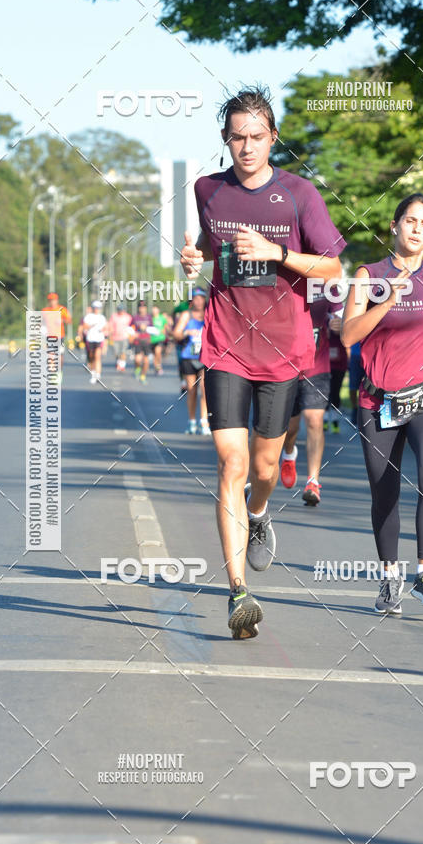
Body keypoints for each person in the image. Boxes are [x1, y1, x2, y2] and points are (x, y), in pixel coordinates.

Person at [180, 85, 345, 639]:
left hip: (283, 350)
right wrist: (193, 256)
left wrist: (278, 253)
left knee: (266, 469)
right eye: (236, 138)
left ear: (272, 138)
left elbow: (331, 271)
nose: (246, 147)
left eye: (256, 137)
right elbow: (211, 241)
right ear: (224, 139)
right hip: (225, 343)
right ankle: (237, 594)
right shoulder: (208, 190)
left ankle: (257, 515)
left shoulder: (300, 195)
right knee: (231, 463)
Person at [341, 192, 423, 616]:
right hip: (378, 398)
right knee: (384, 490)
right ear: (394, 226)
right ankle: (390, 579)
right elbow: (349, 335)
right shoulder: (369, 275)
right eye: (410, 221)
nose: (417, 229)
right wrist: (387, 301)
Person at [279, 291, 342, 505]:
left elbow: (341, 316)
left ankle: (313, 481)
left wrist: (339, 324)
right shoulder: (285, 279)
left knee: (315, 421)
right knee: (290, 428)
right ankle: (289, 454)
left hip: (317, 367)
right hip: (286, 368)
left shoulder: (327, 285)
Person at [173, 288, 210, 435]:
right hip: (189, 356)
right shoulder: (186, 315)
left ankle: (204, 421)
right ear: (191, 300)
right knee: (192, 390)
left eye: (202, 298)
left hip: (205, 356)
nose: (199, 301)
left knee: (205, 389)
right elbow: (176, 334)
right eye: (196, 298)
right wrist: (186, 332)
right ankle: (192, 421)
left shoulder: (209, 313)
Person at [325, 322, 349, 434]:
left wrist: (339, 328)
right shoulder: (323, 316)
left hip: (339, 365)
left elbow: (348, 338)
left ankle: (335, 422)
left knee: (335, 393)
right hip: (325, 364)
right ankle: (324, 420)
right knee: (324, 393)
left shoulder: (342, 317)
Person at [41, 291, 71, 378]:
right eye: (50, 300)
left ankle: (59, 371)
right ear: (48, 301)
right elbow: (41, 322)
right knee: (51, 355)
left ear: (57, 300)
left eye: (54, 300)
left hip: (60, 336)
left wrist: (62, 321)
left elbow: (69, 320)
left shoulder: (62, 309)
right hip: (49, 336)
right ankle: (52, 373)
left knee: (59, 354)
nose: (52, 302)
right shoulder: (45, 310)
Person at [79, 300, 108, 384]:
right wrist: (92, 325)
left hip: (99, 339)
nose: (97, 309)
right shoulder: (88, 317)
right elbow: (84, 326)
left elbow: (106, 327)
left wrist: (104, 329)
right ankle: (93, 372)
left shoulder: (102, 317)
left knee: (97, 356)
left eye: (98, 308)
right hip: (90, 339)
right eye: (95, 308)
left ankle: (97, 374)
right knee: (91, 357)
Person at [130, 301, 152, 383]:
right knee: (138, 359)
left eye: (143, 307)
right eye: (140, 307)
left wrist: (146, 328)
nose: (142, 309)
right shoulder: (135, 317)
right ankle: (138, 368)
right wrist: (133, 334)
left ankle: (143, 376)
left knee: (146, 361)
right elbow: (130, 328)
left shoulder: (149, 317)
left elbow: (153, 329)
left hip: (146, 340)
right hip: (138, 341)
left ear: (146, 308)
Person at [109, 304, 132, 371]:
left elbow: (131, 327)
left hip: (125, 337)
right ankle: (119, 362)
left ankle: (122, 366)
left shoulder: (128, 317)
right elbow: (110, 326)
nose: (121, 311)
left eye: (122, 310)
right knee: (116, 353)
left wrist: (131, 336)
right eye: (120, 310)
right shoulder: (114, 316)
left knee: (123, 352)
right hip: (115, 337)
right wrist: (110, 334)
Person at [149, 305, 168, 375]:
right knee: (154, 354)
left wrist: (165, 332)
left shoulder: (162, 318)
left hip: (160, 338)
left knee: (158, 352)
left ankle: (159, 365)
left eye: (155, 310)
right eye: (153, 310)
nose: (154, 312)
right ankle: (156, 367)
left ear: (158, 311)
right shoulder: (150, 318)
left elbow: (165, 326)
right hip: (152, 339)